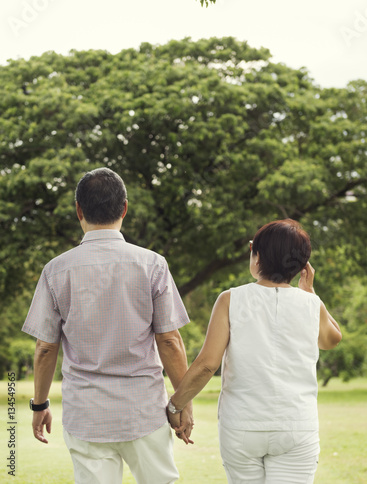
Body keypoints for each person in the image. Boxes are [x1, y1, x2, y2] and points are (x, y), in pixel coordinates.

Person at [22, 167, 194, 484]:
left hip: (87, 416)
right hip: (143, 412)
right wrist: (182, 404)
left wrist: (40, 404)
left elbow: (46, 348)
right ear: (124, 207)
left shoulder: (55, 270)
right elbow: (170, 341)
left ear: (79, 210)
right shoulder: (153, 264)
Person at [167, 219, 342, 484]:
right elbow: (332, 339)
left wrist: (175, 405)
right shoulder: (311, 304)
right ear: (301, 265)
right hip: (296, 426)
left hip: (241, 426)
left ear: (256, 256)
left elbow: (206, 365)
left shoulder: (230, 299)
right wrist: (310, 293)